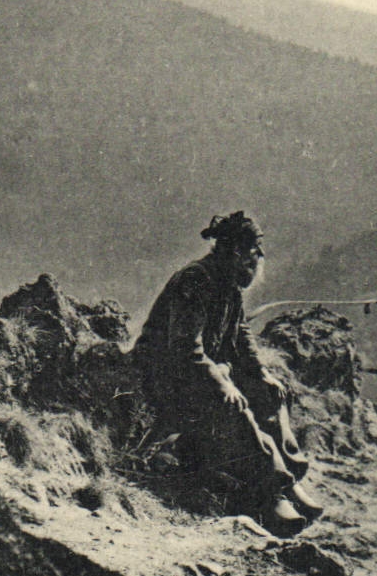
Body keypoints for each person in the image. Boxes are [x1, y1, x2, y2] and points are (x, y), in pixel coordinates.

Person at [132, 211, 321, 535]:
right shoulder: (196, 281)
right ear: (235, 252)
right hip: (167, 378)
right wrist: (222, 384)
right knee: (235, 406)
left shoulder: (229, 285)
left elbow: (241, 336)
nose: (257, 261)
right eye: (253, 253)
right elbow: (184, 350)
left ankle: (289, 477)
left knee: (271, 394)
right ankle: (270, 492)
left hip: (200, 371)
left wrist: (261, 373)